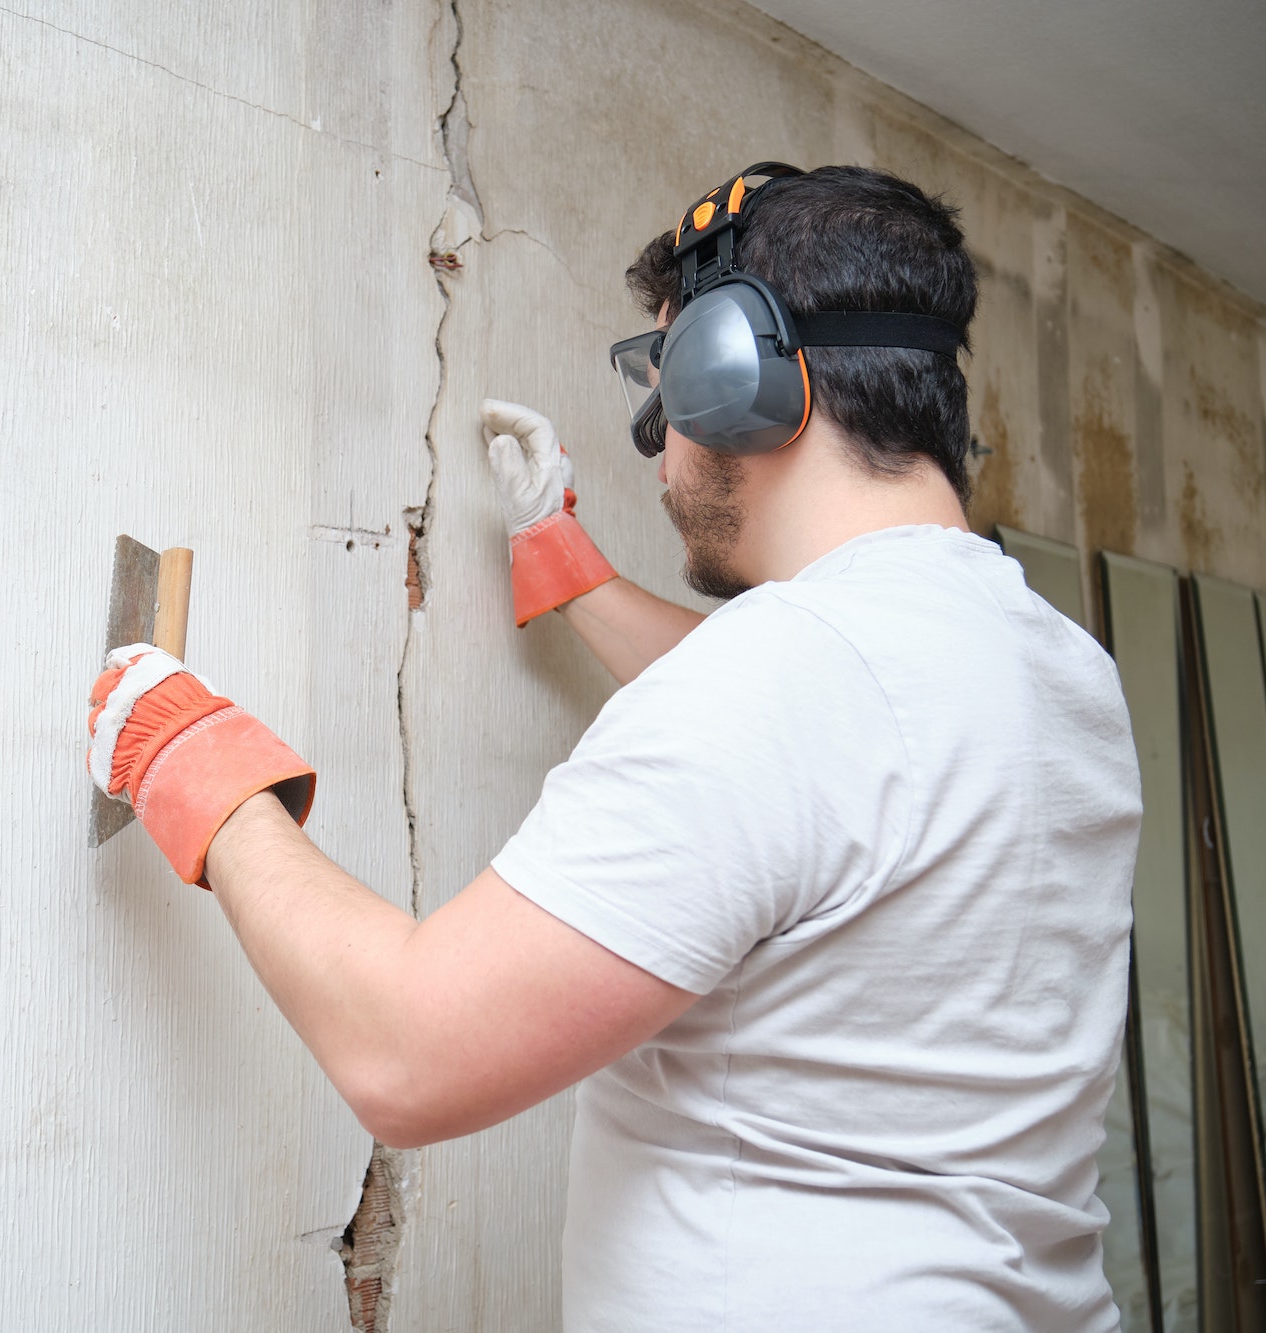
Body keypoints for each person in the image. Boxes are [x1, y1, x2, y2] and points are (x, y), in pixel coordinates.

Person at [82, 164, 1141, 1329]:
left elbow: (405, 1054)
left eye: (663, 379)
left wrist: (197, 765)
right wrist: (562, 561)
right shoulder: (1050, 665)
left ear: (734, 376)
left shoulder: (785, 683)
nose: (658, 448)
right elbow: (828, 761)